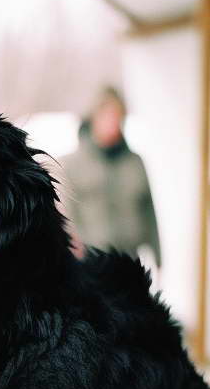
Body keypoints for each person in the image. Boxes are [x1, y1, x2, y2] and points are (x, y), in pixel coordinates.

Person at [61, 86, 161, 271]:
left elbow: (149, 210)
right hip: (90, 263)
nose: (112, 123)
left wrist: (158, 255)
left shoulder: (135, 162)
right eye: (107, 116)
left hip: (129, 260)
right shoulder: (72, 165)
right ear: (94, 118)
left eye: (117, 117)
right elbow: (65, 216)